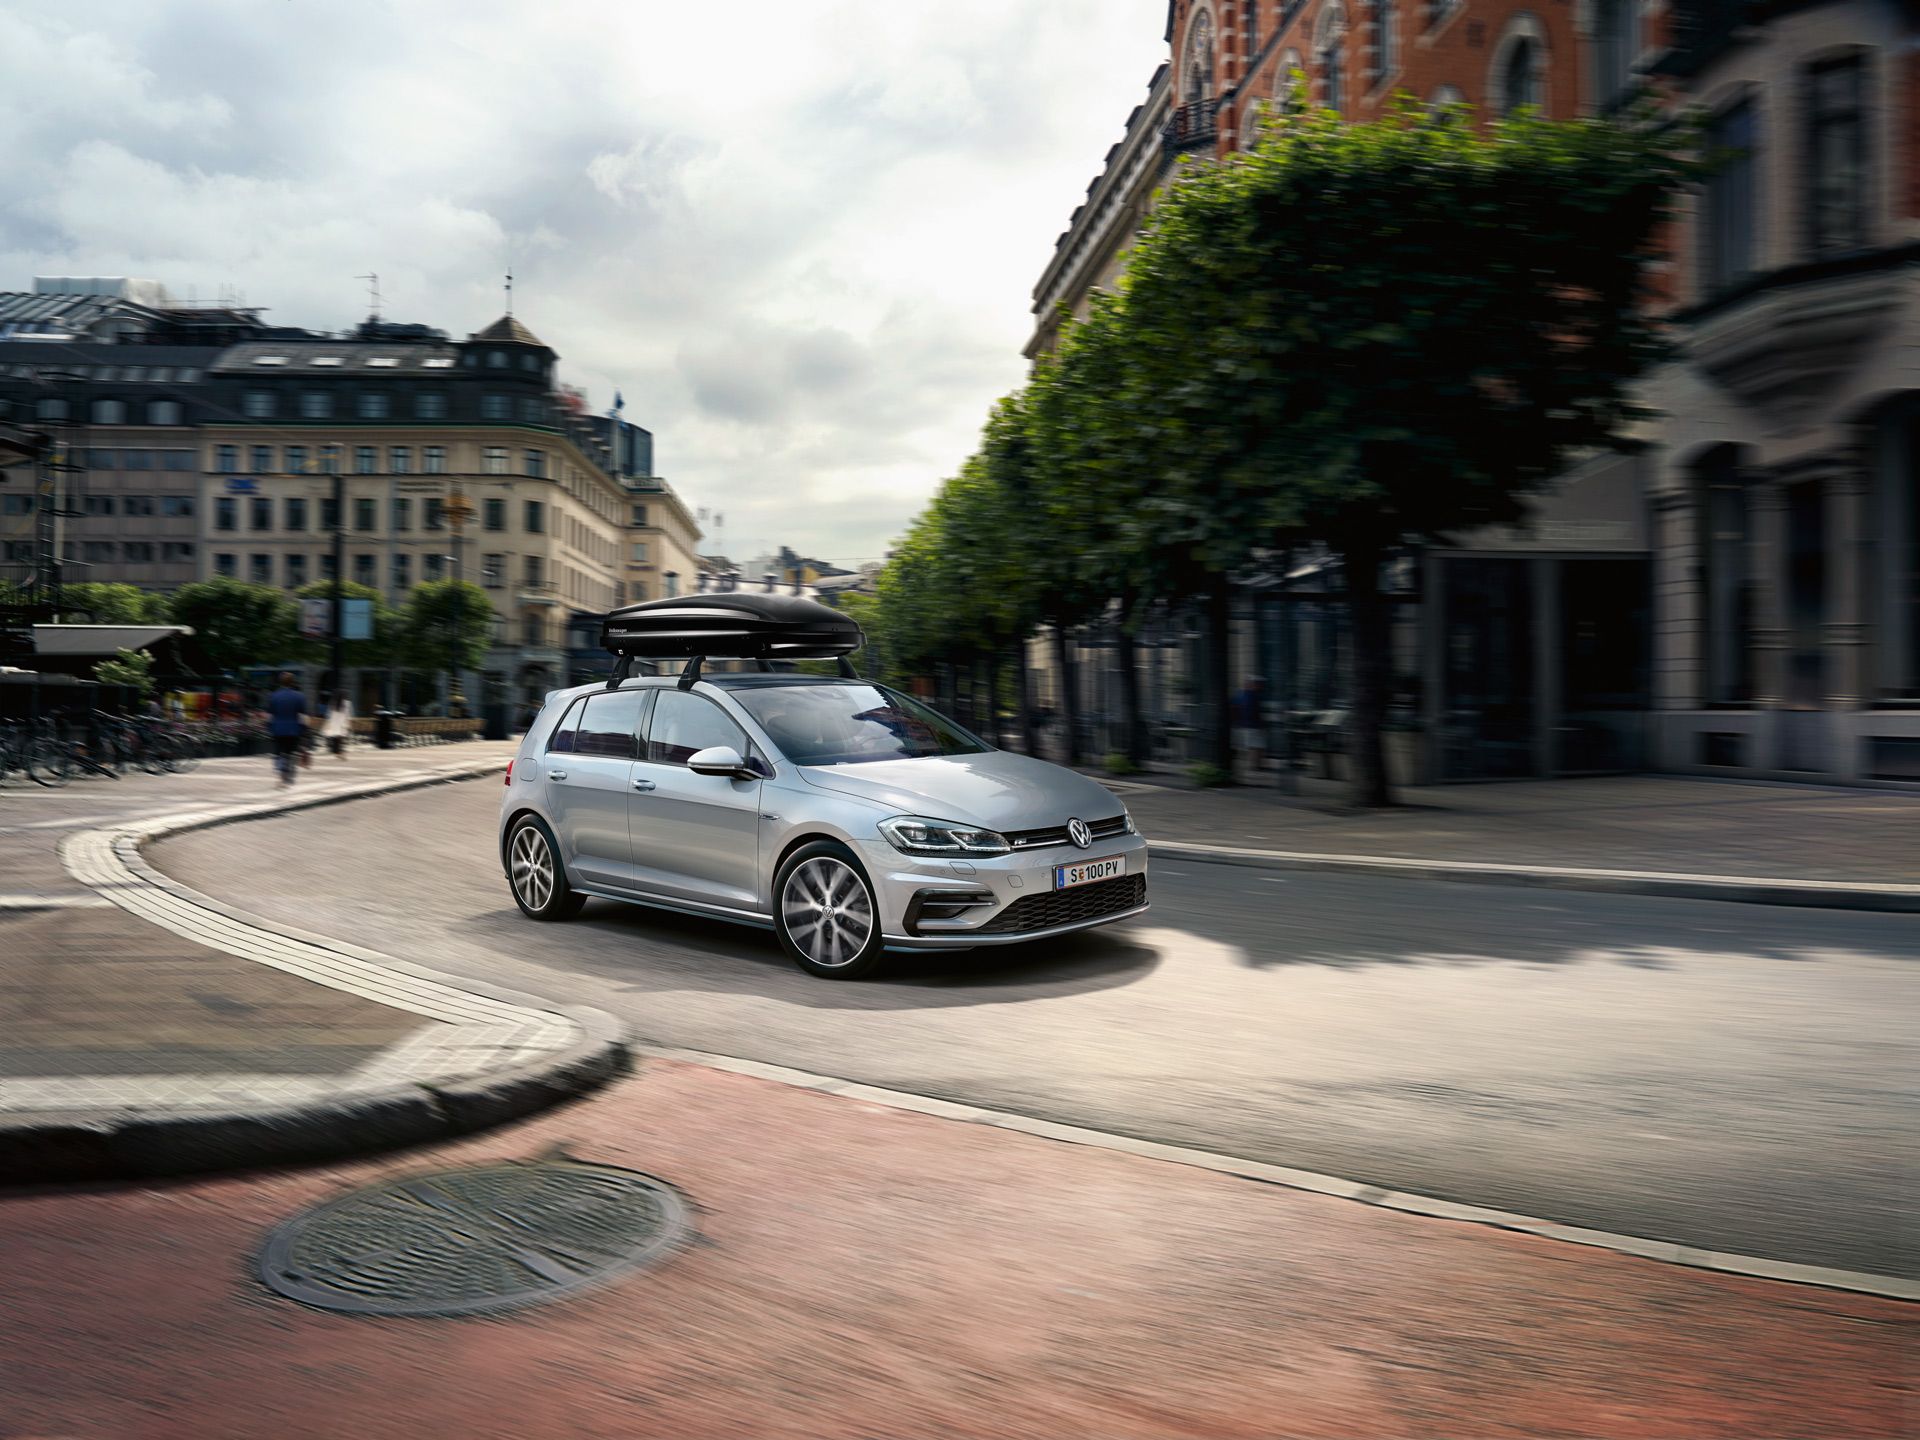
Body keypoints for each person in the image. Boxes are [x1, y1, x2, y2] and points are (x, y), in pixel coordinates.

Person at [265, 671, 309, 785]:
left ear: (280, 682)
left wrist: (269, 726)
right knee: (291, 752)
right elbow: (303, 716)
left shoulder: (273, 696)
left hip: (278, 729)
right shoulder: (299, 696)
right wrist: (304, 729)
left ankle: (281, 774)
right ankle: (289, 773)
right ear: (293, 682)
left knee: (279, 752)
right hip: (294, 729)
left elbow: (269, 715)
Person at [1230, 675, 1267, 778]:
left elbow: (1234, 708)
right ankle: (1254, 766)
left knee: (1251, 747)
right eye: (1258, 684)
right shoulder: (1252, 696)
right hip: (1252, 725)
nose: (1261, 686)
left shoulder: (1240, 695)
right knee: (1256, 747)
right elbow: (1254, 712)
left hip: (1243, 725)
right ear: (1252, 685)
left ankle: (1252, 765)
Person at [321, 689, 354, 761]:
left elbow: (329, 715)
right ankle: (340, 753)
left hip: (333, 723)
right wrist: (349, 724)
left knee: (336, 739)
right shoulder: (348, 703)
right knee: (341, 740)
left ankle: (338, 753)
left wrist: (327, 724)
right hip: (342, 723)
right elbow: (348, 715)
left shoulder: (332, 703)